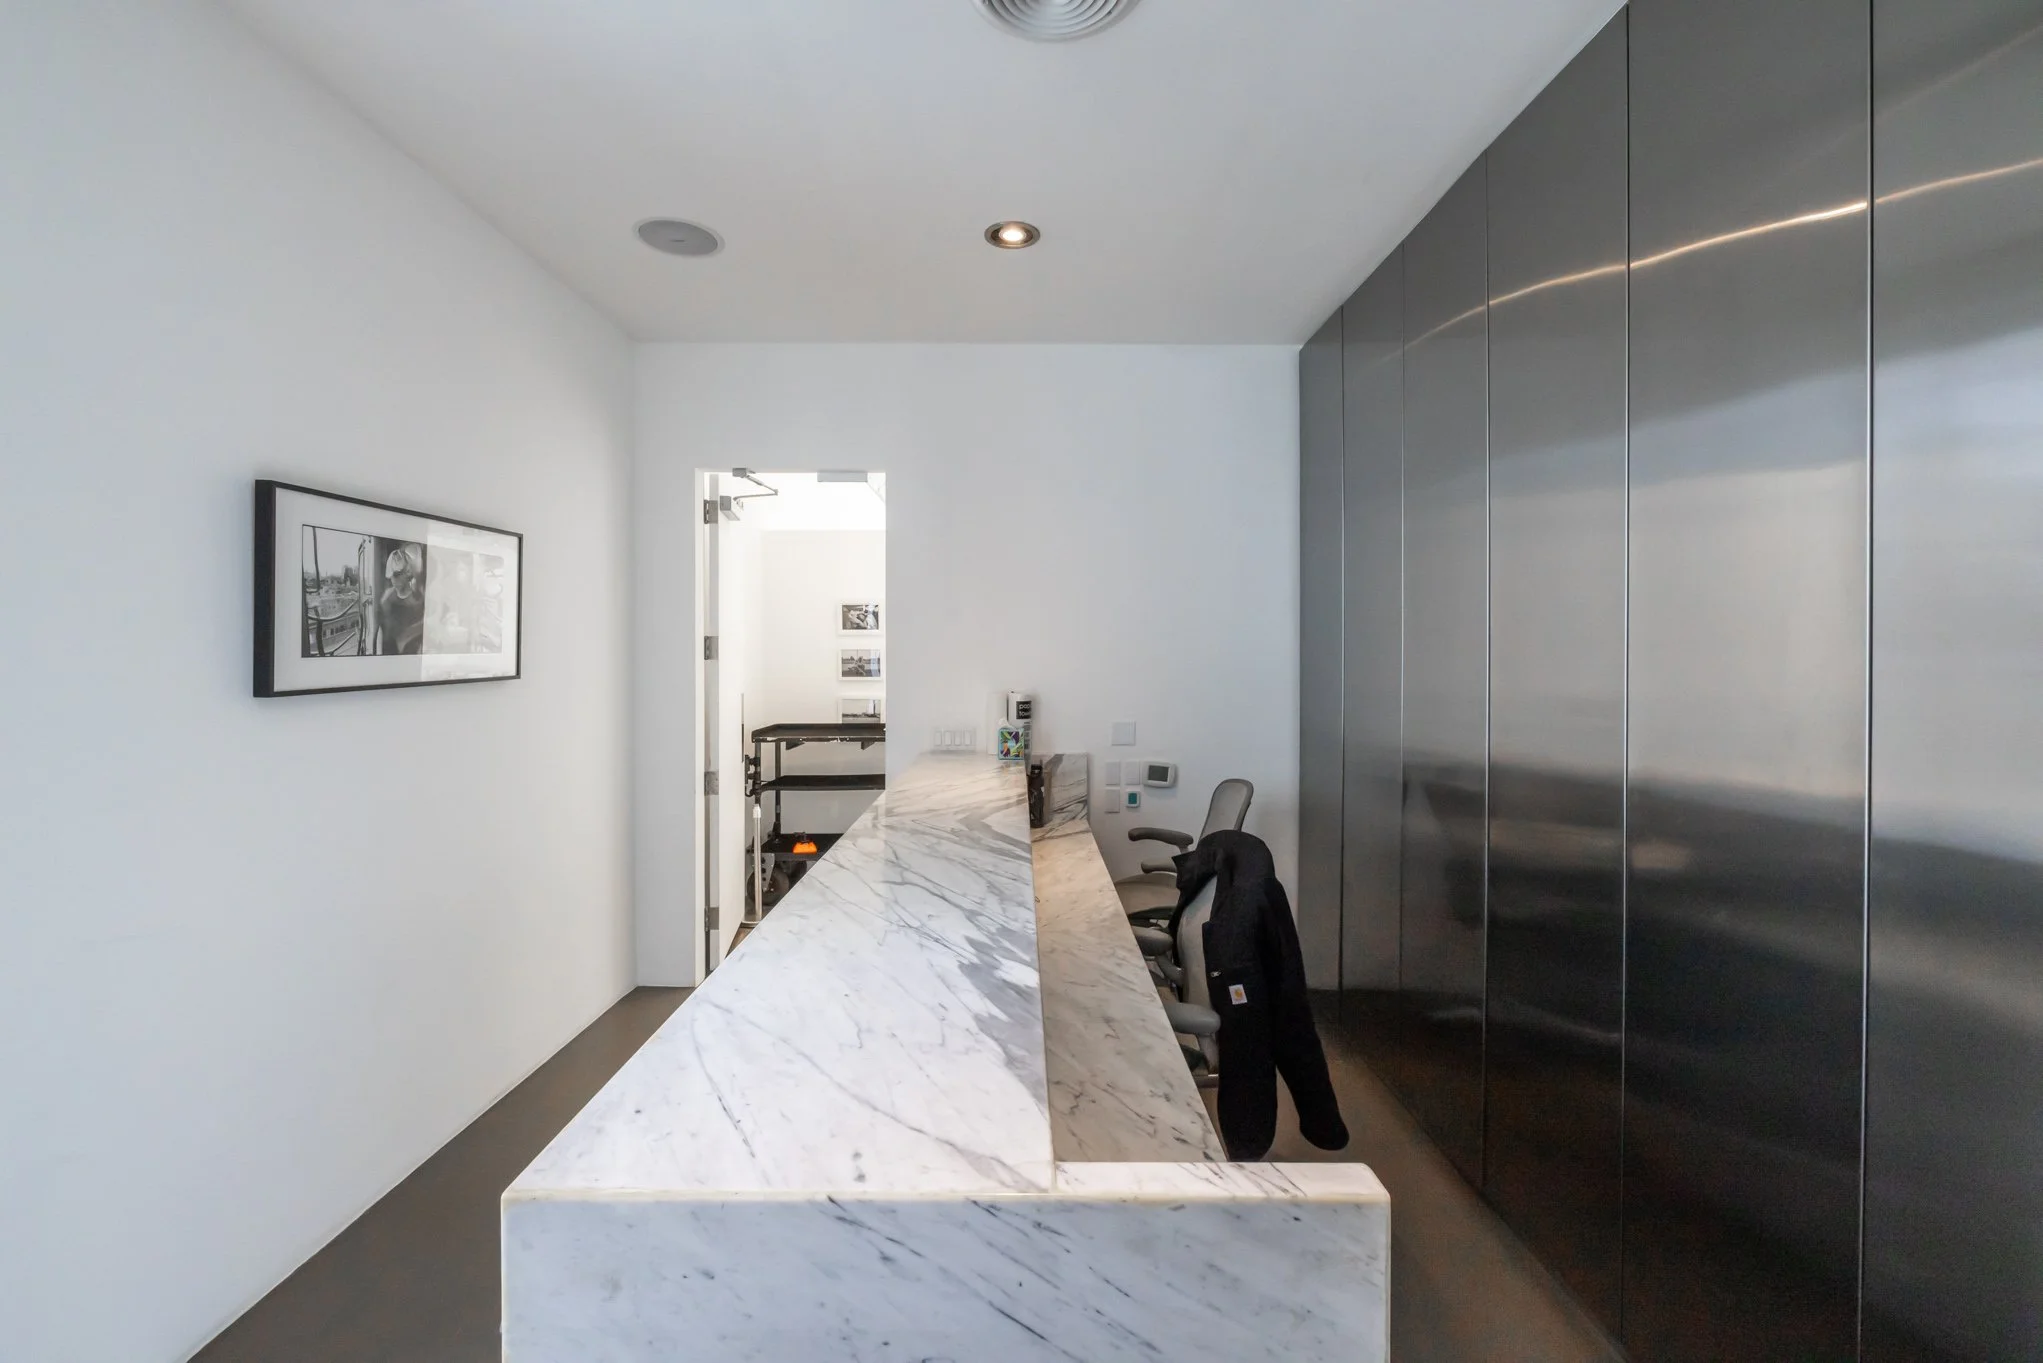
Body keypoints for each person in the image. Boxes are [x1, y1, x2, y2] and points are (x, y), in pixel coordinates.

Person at [377, 542, 425, 655]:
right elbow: (381, 632)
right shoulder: (386, 600)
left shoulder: (419, 600)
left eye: (398, 575)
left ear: (408, 573)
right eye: (391, 576)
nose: (394, 580)